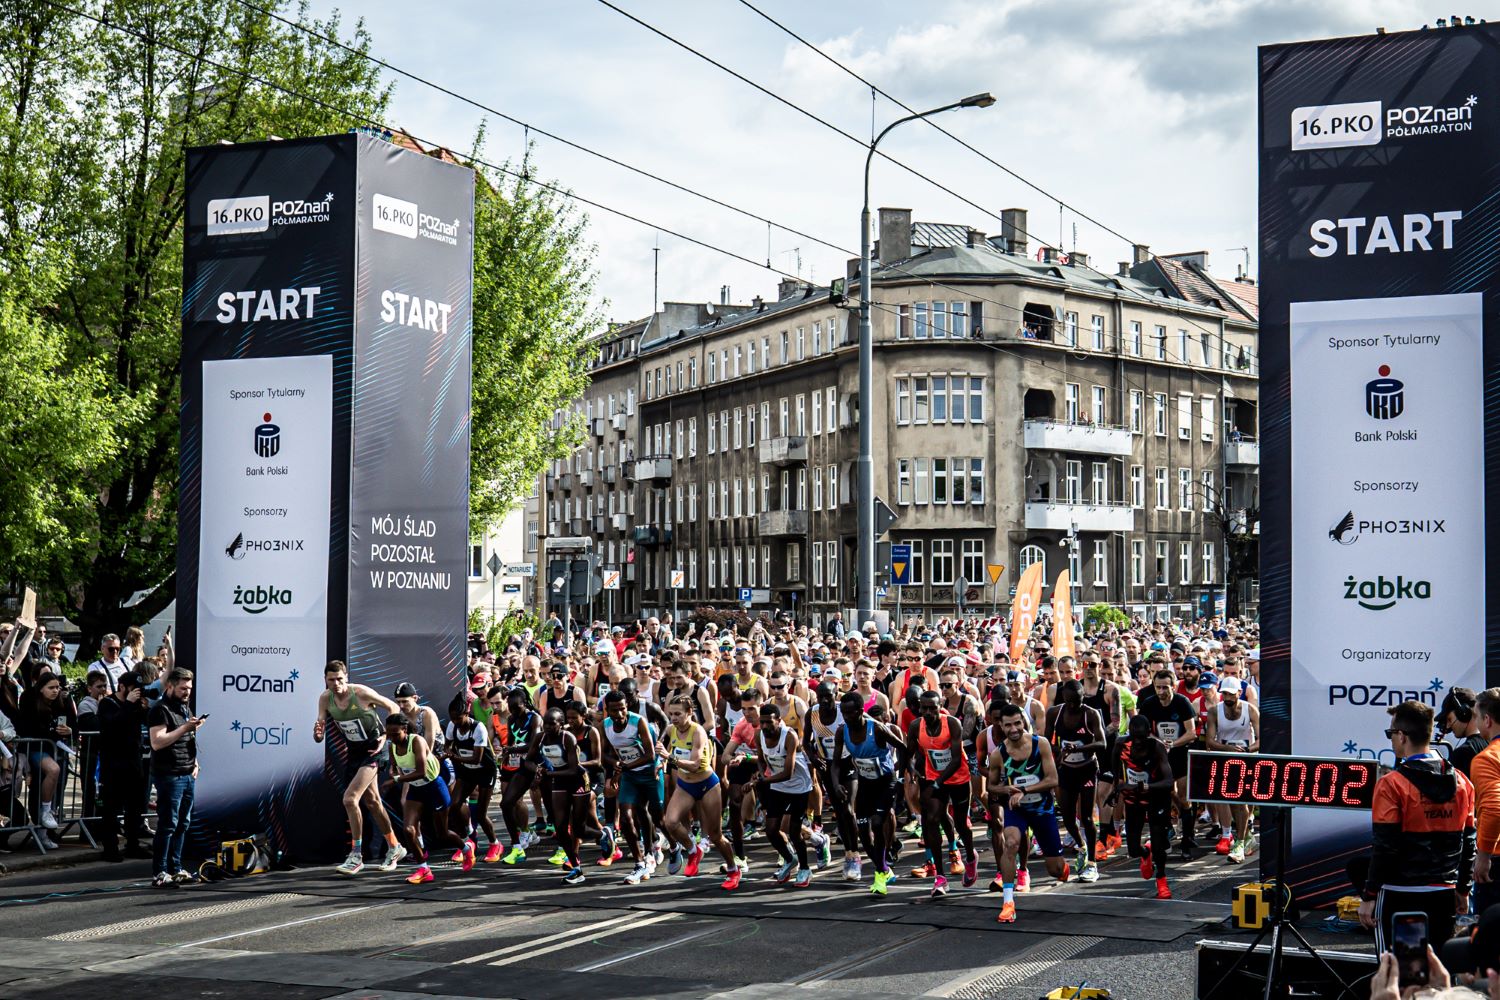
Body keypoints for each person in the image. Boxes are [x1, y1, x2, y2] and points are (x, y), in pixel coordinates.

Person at [1360, 701, 1475, 954]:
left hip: (1400, 893)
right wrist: (1464, 888)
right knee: (1440, 973)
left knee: (1398, 975)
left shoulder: (1391, 784)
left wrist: (1369, 896)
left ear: (1402, 736)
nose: (1391, 740)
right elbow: (1469, 841)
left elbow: (1385, 846)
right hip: (1444, 892)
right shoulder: (1463, 782)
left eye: (1391, 734)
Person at [314, 660, 405, 875]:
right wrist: (318, 733)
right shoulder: (325, 698)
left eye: (340, 679)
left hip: (374, 749)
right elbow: (319, 730)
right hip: (354, 751)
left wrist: (387, 737)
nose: (336, 684)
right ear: (325, 681)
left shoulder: (361, 693)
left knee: (350, 799)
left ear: (347, 677)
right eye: (331, 680)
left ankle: (356, 855)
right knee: (372, 801)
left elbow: (393, 707)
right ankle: (395, 846)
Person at [989, 702, 1067, 923]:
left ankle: (1062, 866)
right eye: (1008, 725)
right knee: (1010, 843)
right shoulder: (998, 754)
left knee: (1055, 870)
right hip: (1017, 810)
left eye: (1017, 723)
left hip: (1041, 809)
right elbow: (991, 787)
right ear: (1001, 726)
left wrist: (1024, 789)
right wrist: (1006, 789)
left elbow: (1053, 780)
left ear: (1023, 722)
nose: (1013, 729)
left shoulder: (1040, 744)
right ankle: (1008, 902)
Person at [904, 689, 979, 896]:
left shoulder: (952, 723)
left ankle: (971, 858)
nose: (928, 712)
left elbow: (955, 759)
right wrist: (911, 771)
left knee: (962, 823)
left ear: (940, 707)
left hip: (958, 777)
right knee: (931, 819)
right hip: (933, 776)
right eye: (924, 708)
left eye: (932, 708)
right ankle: (940, 877)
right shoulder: (915, 726)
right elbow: (908, 753)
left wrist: (939, 781)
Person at [660, 696, 739, 887]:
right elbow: (662, 747)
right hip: (685, 785)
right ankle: (693, 850)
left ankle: (733, 869)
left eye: (678, 714)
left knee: (715, 835)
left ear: (689, 713)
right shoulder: (671, 729)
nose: (674, 718)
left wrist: (669, 758)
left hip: (707, 785)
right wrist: (660, 762)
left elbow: (695, 765)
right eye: (671, 714)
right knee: (669, 822)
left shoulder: (698, 732)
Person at [833, 691, 906, 894]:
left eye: (851, 713)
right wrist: (836, 783)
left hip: (885, 781)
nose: (847, 717)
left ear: (860, 711)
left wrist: (899, 770)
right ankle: (883, 869)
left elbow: (903, 747)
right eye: (843, 713)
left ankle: (880, 875)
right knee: (862, 830)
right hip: (866, 782)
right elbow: (836, 763)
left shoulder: (877, 729)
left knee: (876, 822)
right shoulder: (842, 731)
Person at [387, 712, 462, 884]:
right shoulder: (392, 745)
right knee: (408, 830)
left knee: (442, 834)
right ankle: (424, 869)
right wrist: (394, 773)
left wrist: (396, 780)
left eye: (395, 734)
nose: (392, 738)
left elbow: (420, 771)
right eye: (389, 734)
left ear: (404, 730)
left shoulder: (417, 741)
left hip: (434, 786)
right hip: (416, 789)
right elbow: (394, 767)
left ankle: (466, 848)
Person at [1044, 679, 1106, 882]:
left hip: (1087, 770)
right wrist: (1058, 752)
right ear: (1064, 699)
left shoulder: (1090, 713)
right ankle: (1081, 846)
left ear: (1083, 698)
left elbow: (1102, 743)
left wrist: (1078, 749)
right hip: (1066, 770)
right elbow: (1046, 741)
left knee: (1087, 818)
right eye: (1070, 702)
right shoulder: (1055, 713)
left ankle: (1092, 863)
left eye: (1077, 702)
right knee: (1069, 818)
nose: (1074, 706)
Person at [147, 667, 203, 888]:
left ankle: (176, 867)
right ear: (170, 686)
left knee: (183, 823)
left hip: (187, 772)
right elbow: (157, 742)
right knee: (168, 824)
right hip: (168, 775)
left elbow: (187, 738)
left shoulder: (184, 708)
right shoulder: (160, 710)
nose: (187, 692)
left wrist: (195, 762)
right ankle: (159, 872)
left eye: (189, 688)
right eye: (183, 688)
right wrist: (184, 727)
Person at [1137, 668, 1199, 857]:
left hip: (1180, 753)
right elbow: (1143, 730)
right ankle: (1168, 832)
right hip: (1160, 755)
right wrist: (1157, 741)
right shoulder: (1149, 703)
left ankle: (1187, 839)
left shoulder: (1182, 702)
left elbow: (1192, 732)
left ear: (1173, 686)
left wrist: (1173, 744)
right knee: (1167, 793)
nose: (1161, 691)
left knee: (1183, 797)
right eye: (1158, 687)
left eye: (1165, 687)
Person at [755, 702, 815, 887]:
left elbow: (788, 772)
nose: (764, 726)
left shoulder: (789, 736)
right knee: (771, 830)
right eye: (762, 722)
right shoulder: (760, 736)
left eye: (768, 723)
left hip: (798, 787)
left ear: (778, 721)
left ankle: (805, 868)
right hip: (778, 786)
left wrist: (763, 781)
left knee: (795, 832)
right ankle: (790, 859)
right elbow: (760, 759)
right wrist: (759, 773)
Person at [1116, 713, 1175, 899]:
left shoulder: (1157, 748)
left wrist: (1146, 786)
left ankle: (1161, 879)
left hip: (1157, 798)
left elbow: (1168, 781)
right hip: (1133, 799)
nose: (1138, 742)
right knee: (1133, 849)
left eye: (1142, 738)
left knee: (1159, 846)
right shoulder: (1120, 744)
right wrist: (1116, 789)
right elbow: (1115, 769)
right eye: (1135, 738)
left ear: (1149, 734)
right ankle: (1145, 853)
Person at [528, 706, 588, 885]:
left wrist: (548, 774)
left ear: (561, 724)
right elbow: (529, 760)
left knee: (579, 828)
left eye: (551, 724)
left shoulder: (567, 738)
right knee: (560, 827)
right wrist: (538, 770)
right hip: (559, 780)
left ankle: (603, 835)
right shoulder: (540, 738)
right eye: (545, 723)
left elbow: (572, 769)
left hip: (577, 780)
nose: (547, 727)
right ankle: (576, 868)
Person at [96, 672, 150, 862]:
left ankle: (133, 845)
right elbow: (113, 724)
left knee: (134, 808)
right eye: (133, 688)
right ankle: (110, 848)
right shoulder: (107, 704)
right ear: (122, 687)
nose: (137, 692)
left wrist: (143, 708)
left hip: (133, 762)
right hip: (113, 765)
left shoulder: (135, 706)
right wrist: (128, 703)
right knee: (111, 808)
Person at [1204, 677, 1259, 863]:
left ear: (1239, 693)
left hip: (1246, 759)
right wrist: (1228, 749)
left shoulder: (1250, 709)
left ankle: (1241, 841)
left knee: (1242, 803)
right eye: (1224, 693)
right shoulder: (1214, 711)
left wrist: (1248, 750)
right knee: (1229, 800)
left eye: (1230, 693)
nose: (1227, 697)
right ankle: (1238, 838)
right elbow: (1209, 741)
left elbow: (1262, 738)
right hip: (1224, 759)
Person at [444, 694, 501, 864]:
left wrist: (453, 756)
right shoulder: (452, 726)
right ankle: (468, 838)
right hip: (466, 771)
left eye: (458, 718)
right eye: (452, 718)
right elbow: (447, 745)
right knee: (454, 806)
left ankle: (495, 844)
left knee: (481, 815)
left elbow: (477, 758)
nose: (455, 722)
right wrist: (448, 752)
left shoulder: (479, 728)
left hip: (484, 771)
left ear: (467, 714)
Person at [1468, 688, 1500, 913]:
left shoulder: (1486, 759)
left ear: (1487, 720)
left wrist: (1483, 854)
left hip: (1497, 862)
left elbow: (1495, 808)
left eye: (1477, 717)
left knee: (1489, 940)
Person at [1442, 688, 1486, 780]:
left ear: (1463, 713)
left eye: (1449, 719)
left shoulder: (1463, 753)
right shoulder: (1493, 744)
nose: (1448, 726)